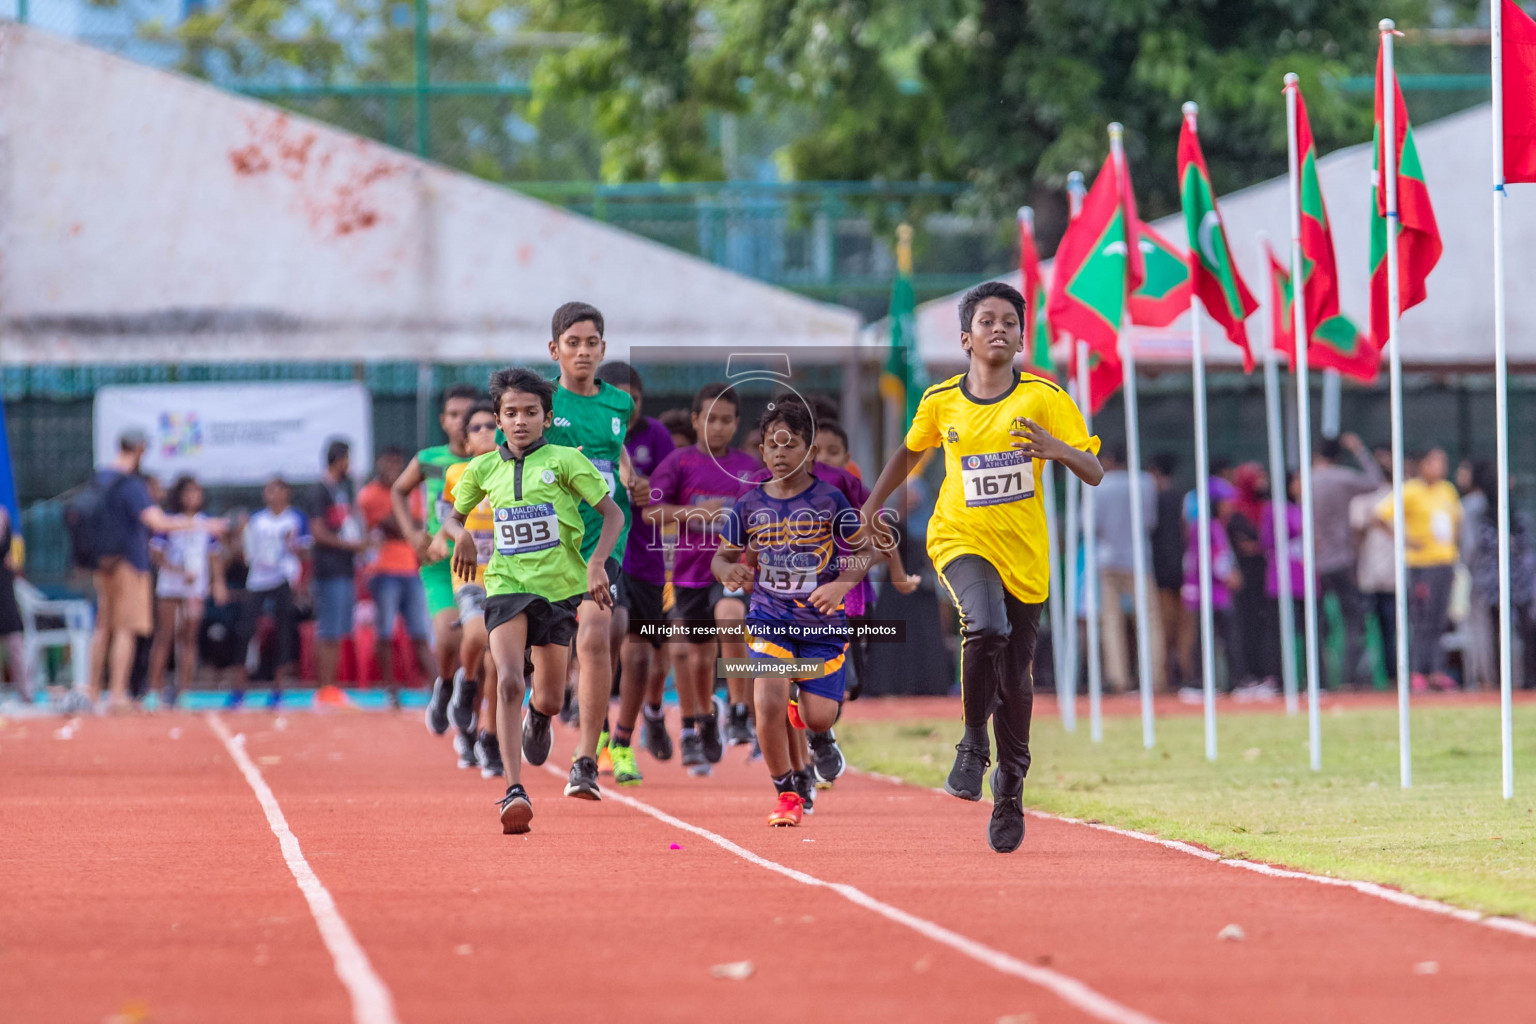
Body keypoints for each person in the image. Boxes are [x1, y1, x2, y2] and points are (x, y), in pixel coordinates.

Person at [861, 282, 1102, 853]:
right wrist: (872, 507)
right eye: (987, 321)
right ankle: (972, 743)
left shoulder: (1044, 398)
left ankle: (1010, 789)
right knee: (985, 625)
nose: (999, 328)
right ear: (966, 338)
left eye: (1010, 322)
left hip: (1026, 557)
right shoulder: (941, 399)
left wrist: (1055, 449)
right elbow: (911, 450)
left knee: (1016, 683)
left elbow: (1092, 469)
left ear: (1021, 337)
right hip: (959, 538)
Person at [442, 367, 623, 830]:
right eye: (511, 413)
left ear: (547, 417)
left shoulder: (565, 461)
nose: (520, 421)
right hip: (505, 585)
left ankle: (539, 718)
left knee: (549, 697)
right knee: (506, 681)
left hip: (560, 591)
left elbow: (613, 514)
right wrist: (459, 533)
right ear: (498, 421)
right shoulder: (482, 467)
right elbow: (451, 517)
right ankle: (512, 790)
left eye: (530, 412)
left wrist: (597, 564)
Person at [712, 401, 871, 826]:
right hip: (769, 616)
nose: (780, 452)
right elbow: (723, 557)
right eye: (772, 445)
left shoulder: (830, 499)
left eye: (791, 444)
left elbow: (865, 551)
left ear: (810, 451)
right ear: (762, 451)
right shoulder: (748, 504)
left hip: (821, 626)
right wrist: (730, 569)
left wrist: (839, 586)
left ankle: (816, 730)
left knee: (820, 715)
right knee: (767, 694)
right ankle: (786, 790)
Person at [541, 302, 644, 784]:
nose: (583, 351)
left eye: (591, 343)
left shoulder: (619, 404)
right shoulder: (542, 405)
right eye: (573, 343)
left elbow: (616, 450)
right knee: (548, 657)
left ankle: (585, 758)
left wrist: (629, 475)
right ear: (554, 349)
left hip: (605, 540)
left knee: (596, 635)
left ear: (603, 347)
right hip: (550, 541)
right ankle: (541, 709)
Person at [646, 382, 761, 775]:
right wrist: (694, 514)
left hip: (731, 568)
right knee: (690, 653)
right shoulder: (679, 463)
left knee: (731, 618)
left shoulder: (749, 468)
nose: (719, 427)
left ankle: (740, 711)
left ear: (736, 424)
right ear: (696, 420)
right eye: (711, 419)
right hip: (688, 574)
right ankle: (699, 722)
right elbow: (651, 514)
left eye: (727, 420)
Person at [86, 429, 221, 712]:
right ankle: (118, 694)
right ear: (138, 449)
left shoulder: (100, 479)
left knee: (102, 627)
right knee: (126, 628)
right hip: (129, 564)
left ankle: (93, 689)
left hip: (103, 563)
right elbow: (157, 522)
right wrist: (203, 525)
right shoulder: (132, 484)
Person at [596, 360, 676, 778]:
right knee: (608, 631)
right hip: (605, 554)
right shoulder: (592, 432)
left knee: (642, 657)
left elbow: (671, 491)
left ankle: (623, 741)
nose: (628, 409)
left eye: (636, 400)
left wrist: (651, 492)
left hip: (647, 556)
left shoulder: (657, 436)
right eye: (620, 400)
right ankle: (597, 732)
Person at [392, 384, 480, 736]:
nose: (461, 422)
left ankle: (473, 726)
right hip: (440, 565)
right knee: (447, 639)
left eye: (468, 415)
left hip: (483, 566)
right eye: (454, 415)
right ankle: (445, 683)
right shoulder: (431, 460)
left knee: (480, 646)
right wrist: (413, 534)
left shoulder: (492, 461)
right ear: (444, 420)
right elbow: (398, 491)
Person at [431, 401, 504, 776]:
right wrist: (443, 540)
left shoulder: (514, 471)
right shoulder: (457, 473)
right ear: (465, 440)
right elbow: (448, 521)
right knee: (476, 634)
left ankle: (489, 737)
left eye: (492, 425)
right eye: (476, 428)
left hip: (508, 578)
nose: (486, 433)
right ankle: (466, 682)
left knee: (501, 661)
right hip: (471, 576)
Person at [1378, 447, 1462, 691]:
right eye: (1434, 462)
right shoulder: (1410, 490)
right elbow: (1380, 515)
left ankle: (1436, 670)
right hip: (1421, 565)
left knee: (1439, 620)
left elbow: (1456, 519)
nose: (1440, 467)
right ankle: (1417, 670)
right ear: (1423, 464)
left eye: (1443, 462)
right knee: (1422, 619)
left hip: (1444, 562)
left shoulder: (1447, 489)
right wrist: (1404, 539)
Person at [358, 447, 433, 708]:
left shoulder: (409, 491)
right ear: (378, 463)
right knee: (385, 632)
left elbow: (414, 525)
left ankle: (437, 689)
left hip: (410, 569)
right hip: (383, 570)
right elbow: (395, 527)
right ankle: (391, 690)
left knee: (419, 632)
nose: (392, 470)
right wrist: (406, 525)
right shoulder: (369, 495)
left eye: (397, 465)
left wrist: (405, 525)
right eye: (388, 463)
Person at [1310, 434, 1383, 690]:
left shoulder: (1307, 480)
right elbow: (1376, 482)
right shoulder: (1342, 477)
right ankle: (1348, 678)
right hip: (1341, 559)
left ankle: (1316, 680)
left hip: (1311, 561)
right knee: (1353, 620)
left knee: (1315, 622)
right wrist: (1360, 450)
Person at [148, 476, 227, 707]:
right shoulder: (169, 522)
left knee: (189, 638)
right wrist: (178, 569)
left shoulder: (206, 524)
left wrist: (218, 583)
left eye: (197, 492)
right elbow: (157, 554)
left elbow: (214, 556)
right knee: (165, 635)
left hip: (195, 587)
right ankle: (155, 689)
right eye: (188, 493)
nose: (193, 497)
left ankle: (184, 690)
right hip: (171, 586)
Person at [1092, 443, 1161, 694]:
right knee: (1149, 620)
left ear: (1109, 459)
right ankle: (1153, 677)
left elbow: (1090, 524)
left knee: (1111, 621)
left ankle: (1118, 678)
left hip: (1108, 559)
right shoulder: (1145, 483)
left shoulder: (1099, 484)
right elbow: (1150, 521)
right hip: (1138, 559)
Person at [235, 477, 310, 707]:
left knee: (283, 631)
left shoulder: (295, 518)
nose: (273, 495)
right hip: (258, 579)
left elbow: (305, 554)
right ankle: (240, 687)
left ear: (287, 493)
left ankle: (278, 687)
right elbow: (245, 555)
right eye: (269, 491)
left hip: (284, 578)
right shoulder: (257, 521)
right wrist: (241, 535)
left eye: (278, 490)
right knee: (246, 630)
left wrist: (293, 550)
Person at [1467, 461, 1536, 688]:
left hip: (1521, 581)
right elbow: (1485, 543)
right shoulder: (1481, 511)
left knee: (1528, 630)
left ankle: (1529, 680)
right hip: (1495, 581)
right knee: (1498, 633)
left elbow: (1523, 544)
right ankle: (1499, 682)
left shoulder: (1517, 512)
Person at [306, 439, 365, 698]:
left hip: (343, 568)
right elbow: (317, 532)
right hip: (329, 569)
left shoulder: (339, 489)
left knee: (339, 630)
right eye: (347, 459)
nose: (349, 465)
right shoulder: (319, 491)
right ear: (339, 460)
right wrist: (350, 545)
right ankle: (324, 687)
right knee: (328, 630)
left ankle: (332, 687)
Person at [1181, 477, 1241, 701]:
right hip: (1213, 593)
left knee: (1204, 638)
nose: (1231, 506)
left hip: (1204, 592)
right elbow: (1215, 557)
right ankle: (1225, 682)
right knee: (1221, 638)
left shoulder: (1200, 525)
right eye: (1226, 501)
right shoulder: (1211, 526)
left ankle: (1201, 682)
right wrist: (1230, 576)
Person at [1227, 464, 1277, 699]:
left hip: (1265, 576)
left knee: (1265, 625)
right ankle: (1247, 674)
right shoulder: (1237, 512)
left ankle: (1266, 673)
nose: (1263, 483)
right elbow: (1242, 545)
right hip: (1245, 578)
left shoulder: (1267, 508)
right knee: (1246, 625)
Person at [1351, 444, 1398, 688]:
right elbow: (1356, 537)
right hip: (1369, 575)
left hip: (1395, 575)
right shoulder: (1362, 499)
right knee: (1366, 631)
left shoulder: (1403, 493)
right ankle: (1362, 680)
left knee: (1393, 629)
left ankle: (1393, 678)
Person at [1148, 453, 1186, 690]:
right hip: (1180, 566)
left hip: (1160, 569)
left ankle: (1164, 677)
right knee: (1181, 627)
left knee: (1162, 626)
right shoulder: (1180, 497)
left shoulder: (1152, 498)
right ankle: (1181, 670)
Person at [0, 506, 32, 704]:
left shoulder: (3, 515)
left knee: (15, 640)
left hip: (4, 588)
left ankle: (25, 692)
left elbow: (13, 557)